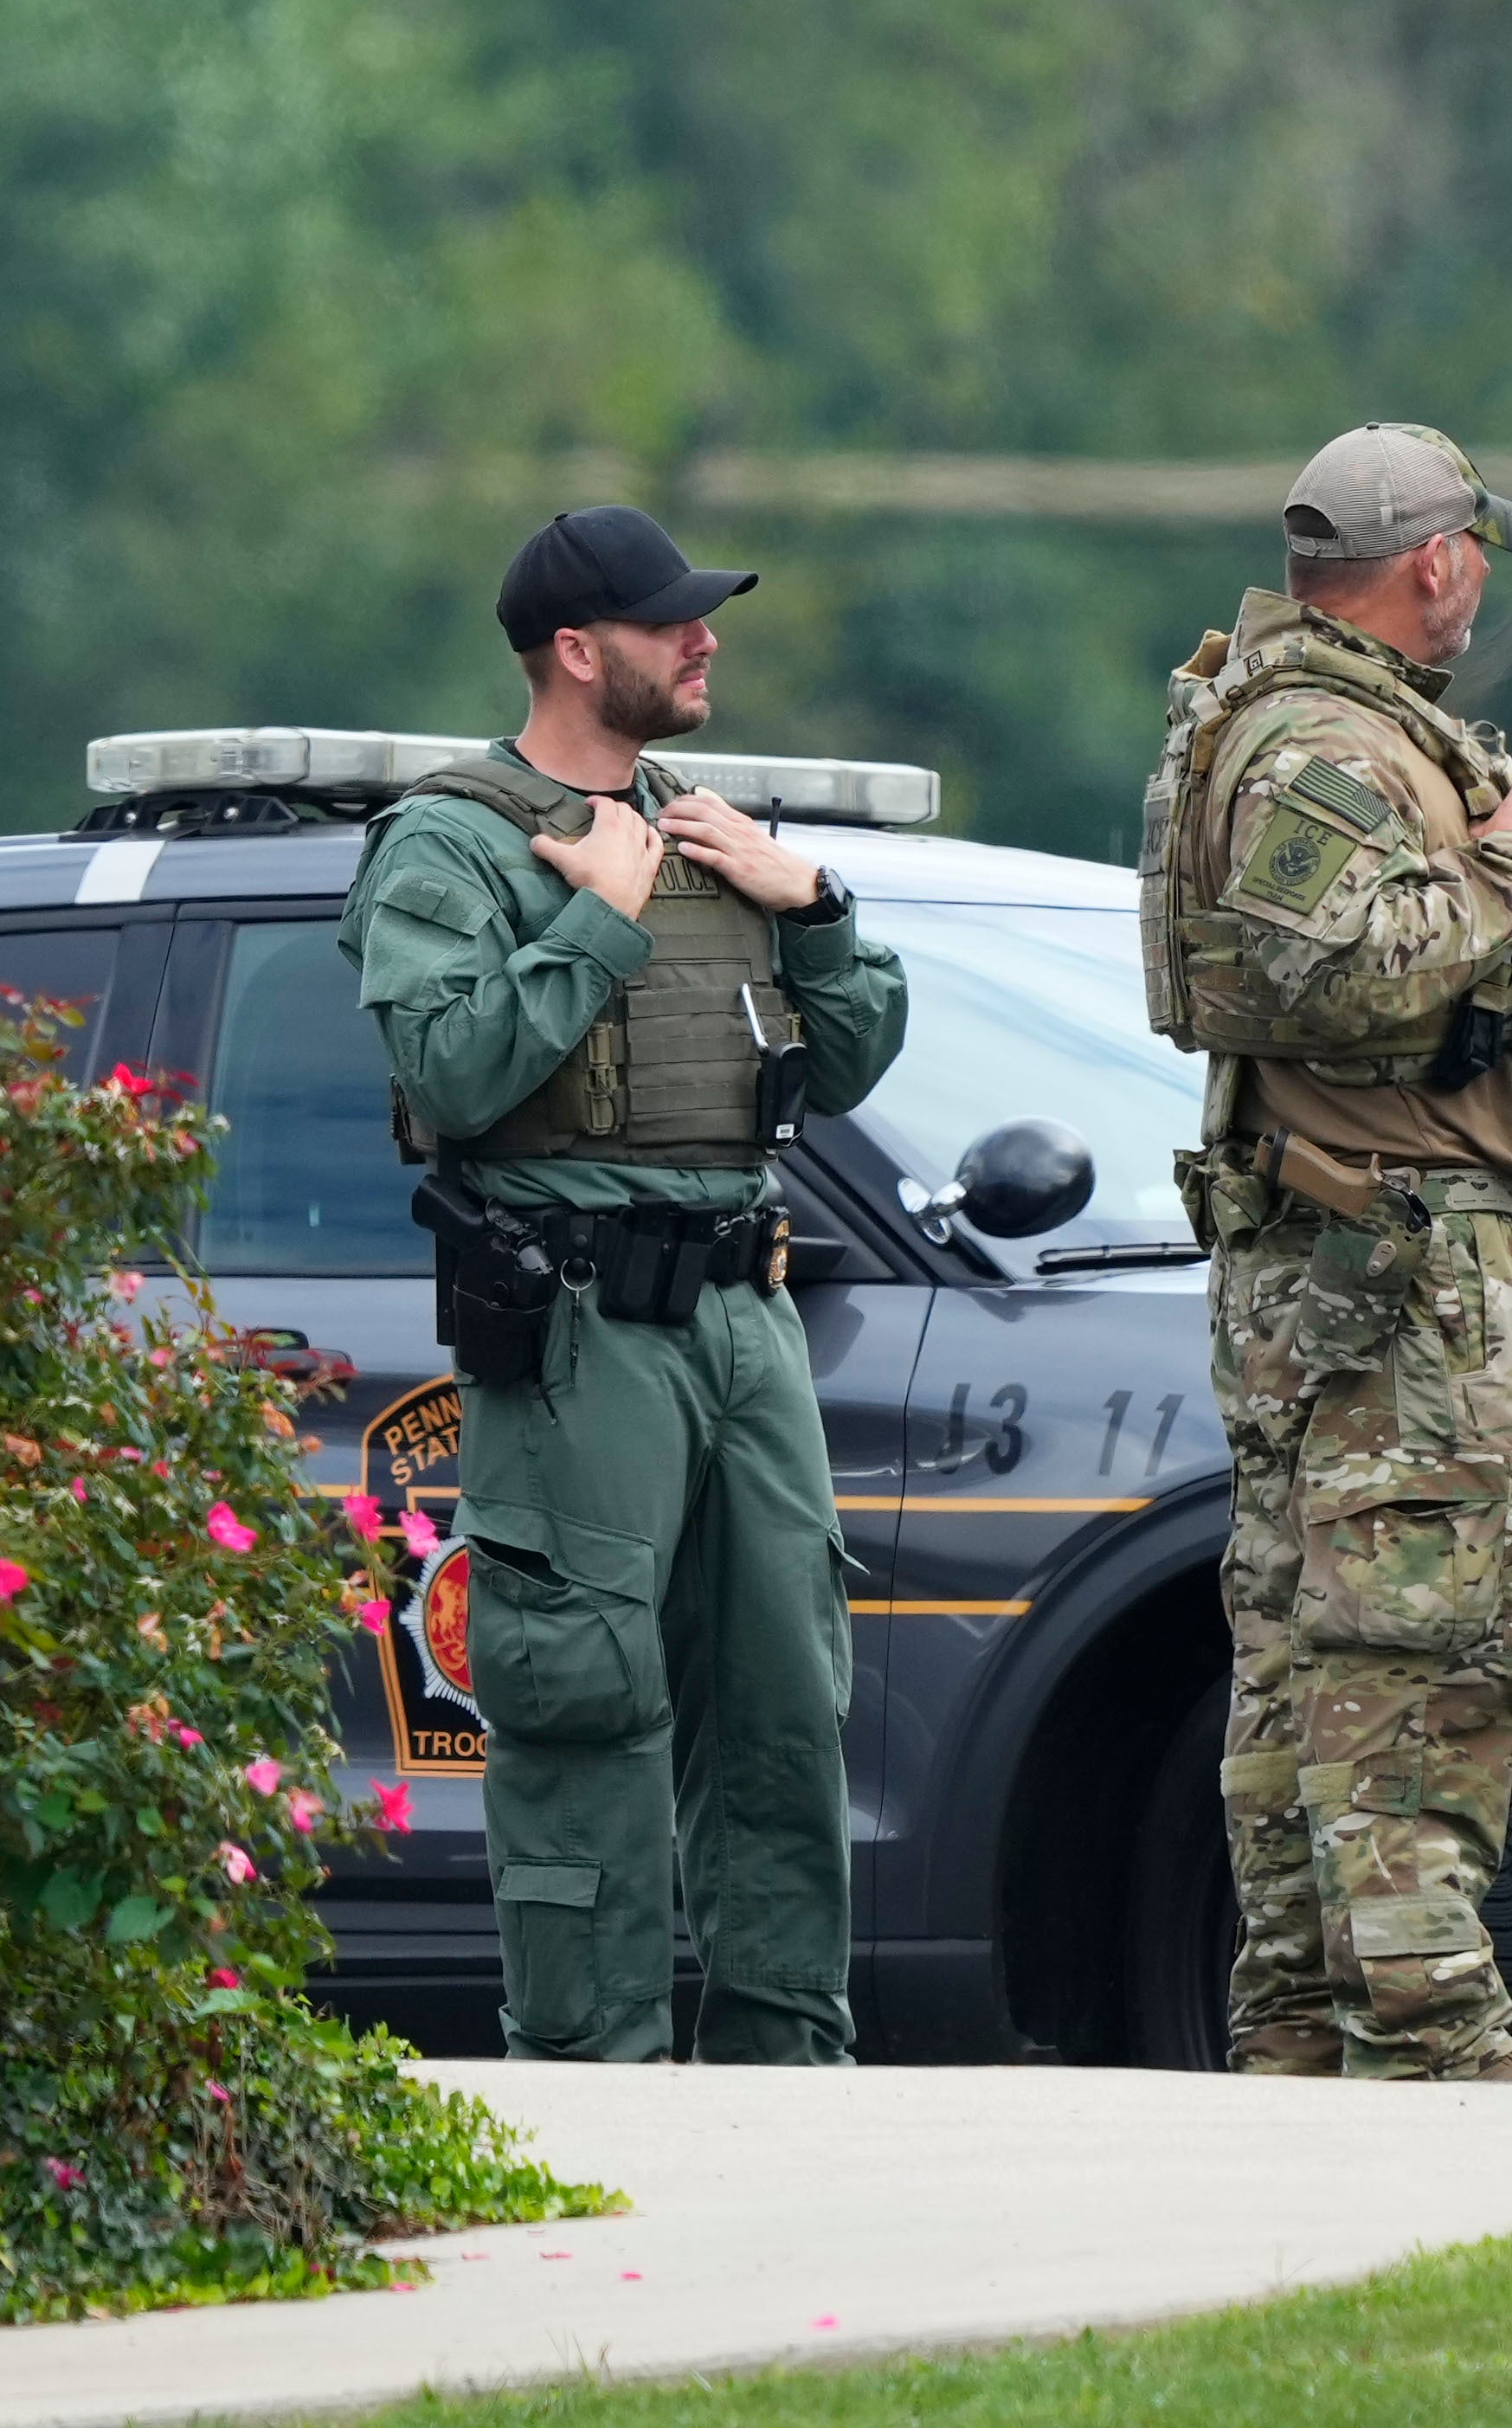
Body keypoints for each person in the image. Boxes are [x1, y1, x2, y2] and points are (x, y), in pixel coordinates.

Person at [338, 504, 911, 2064]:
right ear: (580, 653)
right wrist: (596, 909)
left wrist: (818, 912)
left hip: (748, 1317)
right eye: (672, 622)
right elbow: (453, 1069)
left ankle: (791, 2063)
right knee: (585, 1703)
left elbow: (850, 1063)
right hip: (586, 1333)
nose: (706, 636)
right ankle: (593, 2078)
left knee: (787, 1703)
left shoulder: (711, 823)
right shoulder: (452, 843)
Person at [1136, 423, 1512, 2077]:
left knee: (1305, 1645)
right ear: (1438, 563)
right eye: (1480, 553)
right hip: (1387, 1267)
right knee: (1424, 1646)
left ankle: (1299, 2029)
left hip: (1336, 1250)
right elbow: (1360, 975)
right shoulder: (1322, 745)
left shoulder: (1277, 724)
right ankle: (1425, 2035)